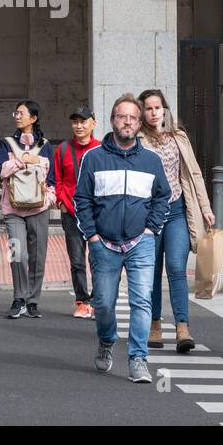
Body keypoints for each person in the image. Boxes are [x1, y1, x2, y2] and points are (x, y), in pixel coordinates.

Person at [74, 94, 168, 384]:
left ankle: (138, 358)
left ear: (139, 124)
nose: (127, 122)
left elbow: (163, 196)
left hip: (141, 243)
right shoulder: (94, 157)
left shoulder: (151, 161)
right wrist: (91, 236)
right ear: (112, 120)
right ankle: (106, 340)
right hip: (104, 244)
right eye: (121, 116)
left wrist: (152, 229)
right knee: (103, 303)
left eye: (132, 118)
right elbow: (82, 199)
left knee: (142, 302)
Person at [138, 89, 217, 354]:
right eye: (148, 108)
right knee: (152, 271)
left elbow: (194, 173)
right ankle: (154, 324)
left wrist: (205, 207)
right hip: (149, 214)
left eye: (157, 107)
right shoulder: (137, 140)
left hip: (176, 212)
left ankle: (183, 327)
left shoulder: (178, 137)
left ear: (165, 109)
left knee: (175, 266)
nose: (153, 112)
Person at [0, 100, 57, 319]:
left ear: (33, 118)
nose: (17, 116)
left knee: (37, 257)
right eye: (16, 113)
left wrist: (49, 199)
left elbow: (52, 179)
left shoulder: (46, 145)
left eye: (21, 113)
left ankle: (32, 300)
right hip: (12, 209)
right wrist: (23, 160)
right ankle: (18, 297)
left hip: (39, 208)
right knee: (17, 253)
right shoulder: (7, 143)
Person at [53, 105, 100, 318]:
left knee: (98, 258)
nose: (79, 126)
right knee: (77, 260)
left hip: (97, 213)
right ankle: (82, 301)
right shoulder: (63, 149)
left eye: (83, 121)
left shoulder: (100, 149)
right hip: (71, 212)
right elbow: (57, 180)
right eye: (75, 122)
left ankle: (98, 300)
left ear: (93, 123)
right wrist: (61, 202)